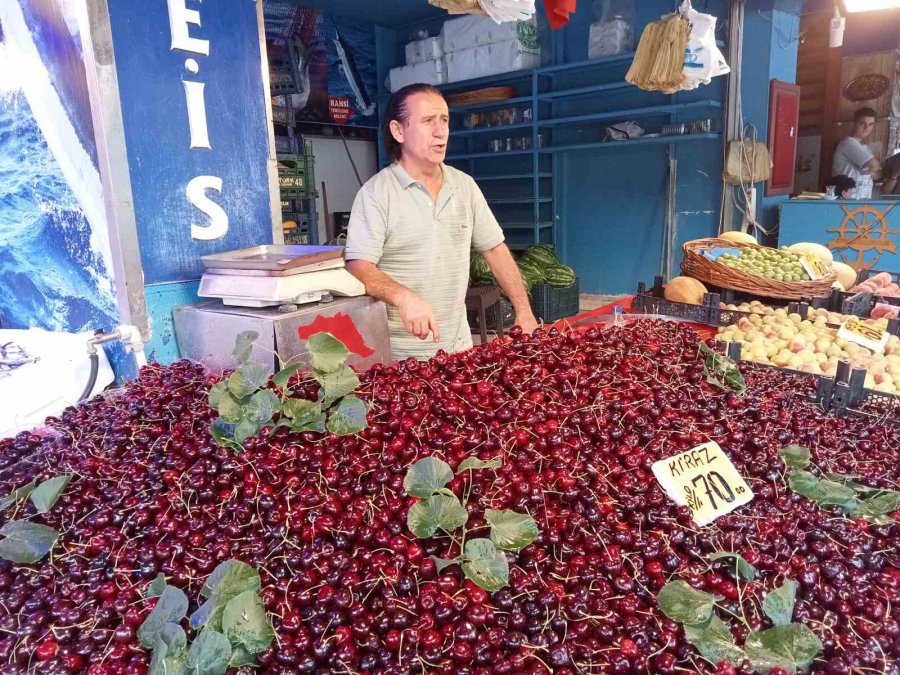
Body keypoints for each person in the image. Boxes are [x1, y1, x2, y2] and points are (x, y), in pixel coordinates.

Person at [345, 83, 538, 360]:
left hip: (458, 346)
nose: (440, 131)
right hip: (400, 355)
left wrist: (523, 310)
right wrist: (404, 296)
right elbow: (359, 266)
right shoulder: (376, 194)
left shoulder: (464, 186)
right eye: (427, 121)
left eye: (444, 120)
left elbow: (494, 249)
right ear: (398, 130)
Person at [831, 107, 882, 184]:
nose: (867, 128)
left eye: (870, 124)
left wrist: (870, 169)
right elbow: (874, 165)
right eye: (863, 123)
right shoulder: (848, 143)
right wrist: (870, 169)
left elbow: (878, 175)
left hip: (863, 195)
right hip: (847, 194)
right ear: (854, 124)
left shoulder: (866, 148)